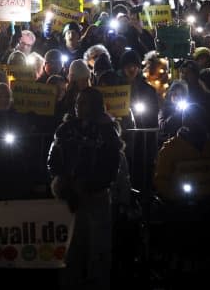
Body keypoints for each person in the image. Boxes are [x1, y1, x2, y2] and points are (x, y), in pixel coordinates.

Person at [48, 87, 121, 290]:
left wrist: (90, 185)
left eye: (84, 102)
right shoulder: (66, 129)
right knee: (71, 249)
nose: (78, 106)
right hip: (70, 198)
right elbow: (53, 160)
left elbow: (110, 166)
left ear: (95, 105)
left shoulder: (107, 131)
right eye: (77, 102)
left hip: (96, 197)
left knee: (98, 250)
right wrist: (63, 182)